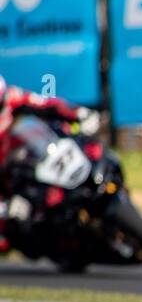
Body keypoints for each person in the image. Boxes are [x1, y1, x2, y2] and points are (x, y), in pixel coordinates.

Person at [0, 75, 100, 250]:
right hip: (13, 189)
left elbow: (48, 104)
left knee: (89, 147)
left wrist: (78, 113)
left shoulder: (13, 98)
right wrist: (5, 207)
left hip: (42, 157)